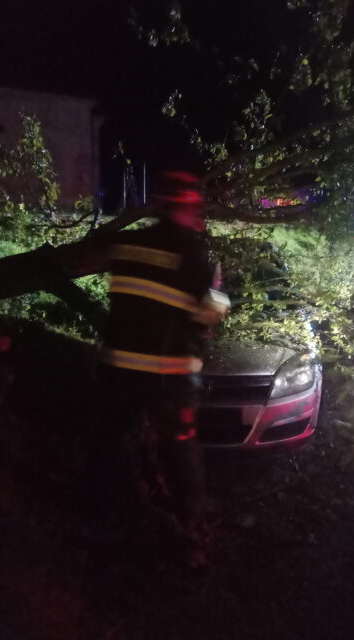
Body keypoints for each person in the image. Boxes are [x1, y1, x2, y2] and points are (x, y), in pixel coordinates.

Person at [93, 171, 229, 564]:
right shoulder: (197, 256)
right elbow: (209, 316)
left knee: (111, 440)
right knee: (181, 444)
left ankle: (106, 515)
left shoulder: (127, 245)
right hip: (170, 376)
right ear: (190, 207)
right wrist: (218, 292)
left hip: (119, 367)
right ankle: (191, 527)